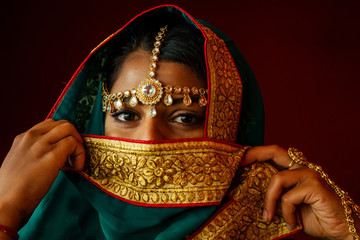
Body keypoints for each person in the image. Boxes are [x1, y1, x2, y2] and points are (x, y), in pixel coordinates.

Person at [0, 4, 358, 240]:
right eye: (126, 115)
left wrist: (347, 232)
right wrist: (5, 209)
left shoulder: (270, 223)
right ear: (95, 123)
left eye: (185, 117)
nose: (150, 141)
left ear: (227, 130)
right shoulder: (44, 225)